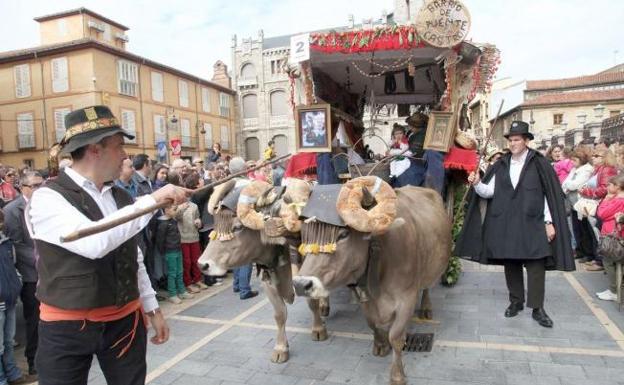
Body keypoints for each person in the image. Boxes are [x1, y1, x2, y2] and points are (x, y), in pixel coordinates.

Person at [28, 105, 191, 385]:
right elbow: (93, 242)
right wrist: (152, 201)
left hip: (124, 321)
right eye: (118, 146)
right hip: (66, 326)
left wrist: (152, 307)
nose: (125, 155)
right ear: (95, 149)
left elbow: (133, 256)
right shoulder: (46, 198)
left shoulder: (120, 196)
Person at [456, 121, 574, 328]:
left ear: (526, 140)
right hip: (506, 223)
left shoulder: (539, 163)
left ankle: (538, 308)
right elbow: (489, 192)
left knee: (536, 264)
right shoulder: (501, 164)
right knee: (511, 263)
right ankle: (516, 302)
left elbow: (548, 196)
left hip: (533, 222)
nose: (513, 143)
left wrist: (549, 222)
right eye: (510, 140)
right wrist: (477, 184)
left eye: (517, 139)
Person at [3, 171, 43, 377]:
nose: (39, 189)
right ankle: (34, 360)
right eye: (35, 185)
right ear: (23, 188)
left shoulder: (47, 206)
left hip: (50, 271)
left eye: (41, 184)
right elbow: (16, 245)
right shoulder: (12, 209)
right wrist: (43, 258)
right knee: (34, 320)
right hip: (31, 274)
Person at [578, 148, 618, 271]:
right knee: (593, 232)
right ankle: (598, 259)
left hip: (600, 204)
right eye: (593, 155)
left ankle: (601, 262)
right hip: (593, 203)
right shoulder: (598, 169)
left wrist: (586, 191)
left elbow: (604, 189)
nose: (593, 157)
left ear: (605, 157)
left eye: (597, 155)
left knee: (599, 233)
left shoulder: (606, 170)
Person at [0, 208, 27, 385]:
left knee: (8, 341)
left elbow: (13, 265)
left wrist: (17, 282)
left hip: (9, 298)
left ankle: (13, 373)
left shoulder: (6, 243)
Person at [229, 157, 258, 300]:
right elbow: (253, 205)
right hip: (244, 223)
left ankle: (236, 284)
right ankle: (244, 289)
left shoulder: (227, 184)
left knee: (236, 255)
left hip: (231, 223)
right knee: (246, 257)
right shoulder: (248, 185)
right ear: (244, 169)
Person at [155, 204, 194, 304]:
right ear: (166, 210)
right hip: (170, 251)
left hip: (177, 249)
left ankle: (182, 291)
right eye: (174, 209)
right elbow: (160, 240)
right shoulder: (163, 224)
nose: (176, 211)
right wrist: (164, 252)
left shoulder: (173, 221)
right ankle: (172, 294)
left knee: (180, 271)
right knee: (172, 273)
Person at [595, 174, 624, 301]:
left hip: (612, 235)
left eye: (610, 185)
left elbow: (601, 213)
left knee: (609, 261)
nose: (607, 187)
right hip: (614, 234)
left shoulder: (618, 200)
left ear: (617, 187)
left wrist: (606, 200)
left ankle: (614, 290)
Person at [562, 147, 594, 260]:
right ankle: (580, 250)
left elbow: (574, 185)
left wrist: (568, 186)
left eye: (574, 160)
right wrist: (568, 186)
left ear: (581, 159)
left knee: (585, 229)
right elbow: (565, 184)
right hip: (573, 203)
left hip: (581, 203)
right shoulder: (574, 170)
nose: (572, 162)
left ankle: (588, 253)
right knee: (576, 228)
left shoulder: (587, 170)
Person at [176, 174, 206, 293]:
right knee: (186, 262)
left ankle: (198, 279)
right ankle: (188, 282)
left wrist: (199, 222)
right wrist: (181, 208)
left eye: (187, 194)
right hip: (183, 238)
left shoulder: (194, 206)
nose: (186, 197)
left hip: (194, 237)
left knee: (196, 260)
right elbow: (176, 217)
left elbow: (198, 218)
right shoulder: (178, 206)